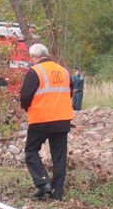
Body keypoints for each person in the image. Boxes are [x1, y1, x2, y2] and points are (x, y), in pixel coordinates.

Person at [19, 43, 74, 200]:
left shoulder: (34, 71)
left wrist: (27, 108)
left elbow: (24, 97)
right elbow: (70, 92)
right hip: (62, 119)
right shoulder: (64, 71)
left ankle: (43, 183)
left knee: (31, 151)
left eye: (32, 58)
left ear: (35, 57)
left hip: (41, 119)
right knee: (59, 157)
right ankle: (57, 194)